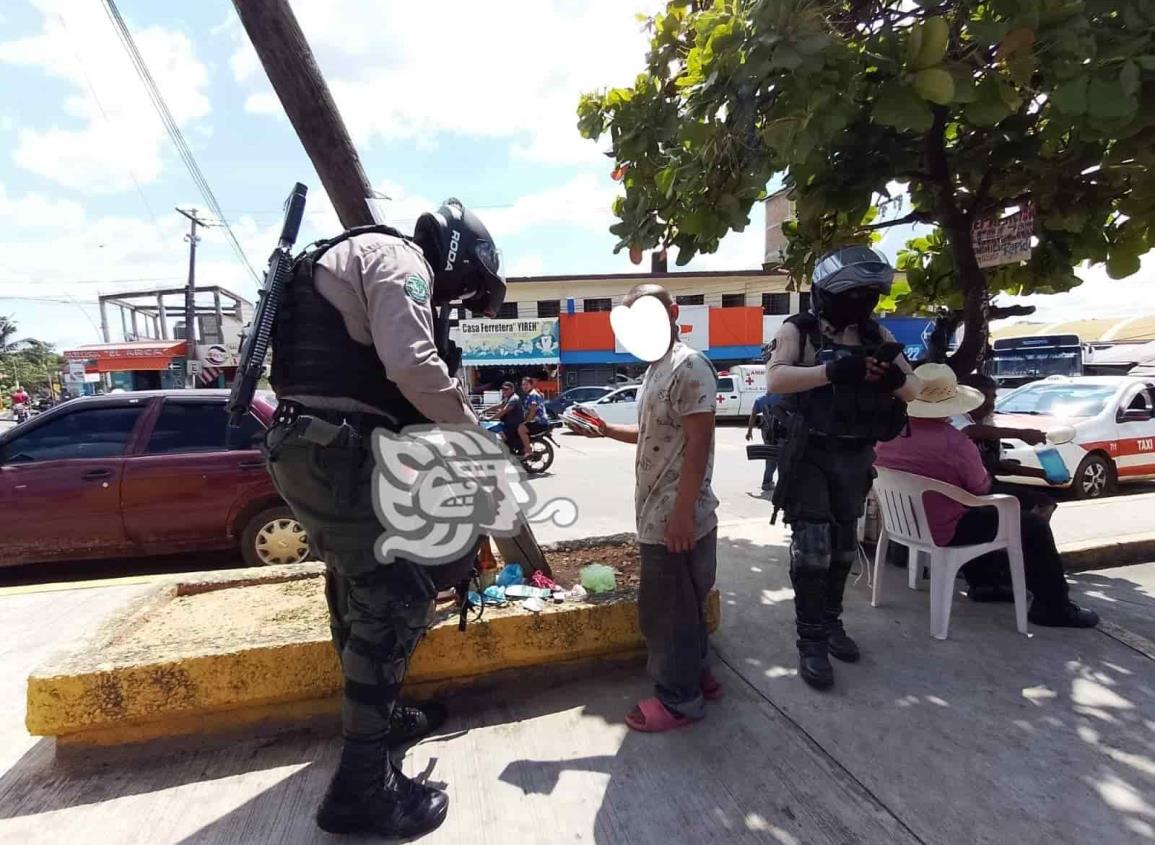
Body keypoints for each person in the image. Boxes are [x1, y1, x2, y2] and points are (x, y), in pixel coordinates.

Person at [263, 198, 506, 838]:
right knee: (395, 599)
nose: (454, 303)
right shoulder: (401, 260)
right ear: (457, 257)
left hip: (316, 446)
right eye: (466, 289)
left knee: (358, 590)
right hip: (336, 451)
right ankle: (361, 790)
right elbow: (412, 366)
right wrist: (473, 431)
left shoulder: (350, 255)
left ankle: (381, 715)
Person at [767, 246, 922, 690]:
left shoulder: (877, 334)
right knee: (812, 547)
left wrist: (894, 379)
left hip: (855, 456)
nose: (860, 304)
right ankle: (810, 639)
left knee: (842, 549)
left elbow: (913, 389)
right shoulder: (800, 330)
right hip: (811, 454)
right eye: (852, 294)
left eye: (867, 295)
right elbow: (776, 378)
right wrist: (832, 371)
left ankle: (831, 623)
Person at [581, 283, 721, 731]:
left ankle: (679, 700)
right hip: (660, 512)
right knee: (685, 607)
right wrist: (605, 431)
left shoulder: (689, 365)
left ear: (673, 312)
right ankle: (697, 677)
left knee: (664, 613)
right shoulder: (655, 369)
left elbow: (700, 443)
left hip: (676, 518)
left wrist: (681, 513)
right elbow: (652, 436)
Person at [875, 364, 1099, 627]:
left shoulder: (887, 435)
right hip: (944, 529)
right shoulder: (955, 443)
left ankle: (985, 583)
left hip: (901, 524)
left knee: (981, 514)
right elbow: (980, 488)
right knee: (1033, 526)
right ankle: (1053, 606)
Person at [954, 372, 1057, 521]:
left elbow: (998, 464)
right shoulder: (956, 419)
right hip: (965, 491)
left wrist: (1042, 474)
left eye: (993, 397)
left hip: (988, 485)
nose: (989, 403)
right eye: (983, 397)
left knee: (1044, 502)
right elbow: (969, 430)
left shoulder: (988, 422)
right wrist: (1020, 434)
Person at [745, 391, 780, 491]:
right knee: (781, 457)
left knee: (770, 457)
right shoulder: (782, 396)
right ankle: (775, 483)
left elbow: (753, 415)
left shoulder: (760, 399)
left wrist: (749, 431)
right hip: (781, 431)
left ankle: (767, 482)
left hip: (767, 432)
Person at [491, 381, 531, 455]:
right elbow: (499, 405)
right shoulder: (508, 398)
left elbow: (504, 410)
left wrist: (490, 418)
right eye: (503, 389)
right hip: (509, 423)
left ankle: (512, 453)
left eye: (507, 389)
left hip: (514, 425)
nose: (504, 391)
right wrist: (484, 410)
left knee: (504, 437)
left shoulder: (514, 398)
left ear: (512, 389)